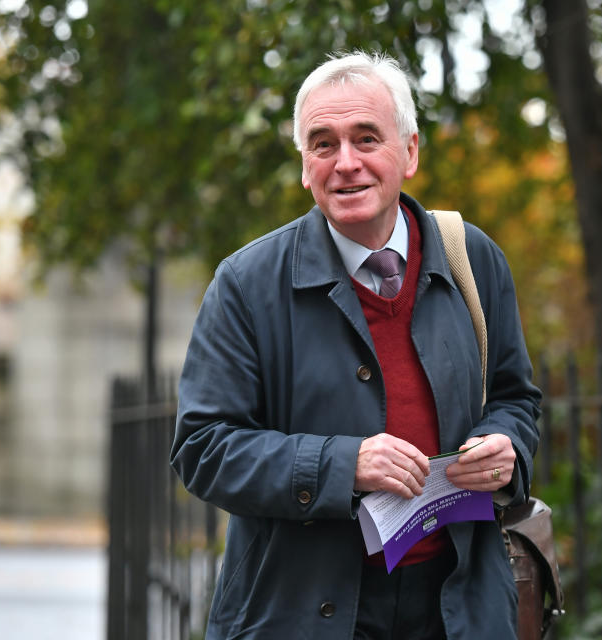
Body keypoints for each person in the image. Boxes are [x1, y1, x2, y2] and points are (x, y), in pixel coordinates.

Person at [171, 50, 541, 640]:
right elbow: (203, 449)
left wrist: (507, 447)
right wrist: (345, 465)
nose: (346, 163)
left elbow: (516, 398)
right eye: (323, 144)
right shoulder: (246, 284)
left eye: (367, 138)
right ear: (303, 165)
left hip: (458, 608)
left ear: (410, 151)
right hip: (302, 611)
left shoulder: (473, 259)